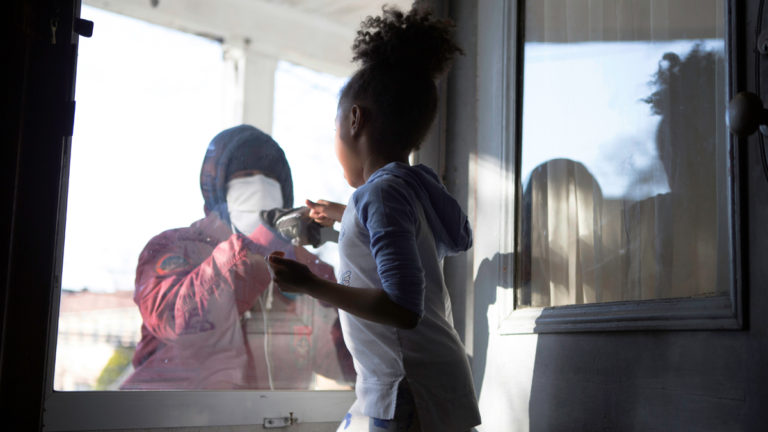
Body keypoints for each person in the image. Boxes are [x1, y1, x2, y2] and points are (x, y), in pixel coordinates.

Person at [266, 6, 481, 432]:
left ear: (355, 119)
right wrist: (347, 215)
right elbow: (453, 237)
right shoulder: (412, 185)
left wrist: (310, 284)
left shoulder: (381, 194)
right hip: (433, 380)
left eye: (335, 127)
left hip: (407, 388)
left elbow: (403, 308)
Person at [121, 124, 354, 390]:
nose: (259, 186)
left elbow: (347, 359)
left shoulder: (302, 266)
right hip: (175, 412)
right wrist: (260, 242)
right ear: (217, 189)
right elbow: (178, 322)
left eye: (269, 177)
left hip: (276, 413)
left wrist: (359, 253)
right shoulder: (175, 248)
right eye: (245, 175)